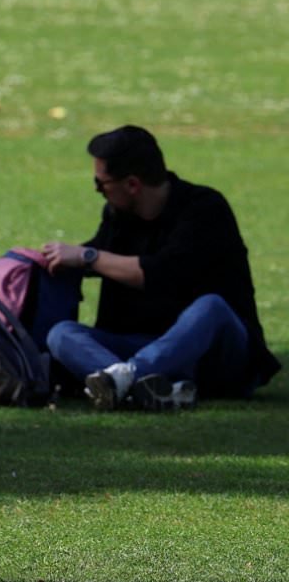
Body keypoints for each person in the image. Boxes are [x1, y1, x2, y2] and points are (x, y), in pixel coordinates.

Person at [41, 125, 279, 411]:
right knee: (62, 334)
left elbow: (159, 273)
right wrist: (43, 259)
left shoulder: (204, 209)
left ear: (132, 184)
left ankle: (125, 378)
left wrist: (88, 256)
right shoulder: (120, 216)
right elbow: (97, 253)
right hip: (144, 344)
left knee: (211, 307)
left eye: (101, 184)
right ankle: (149, 390)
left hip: (213, 355)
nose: (99, 192)